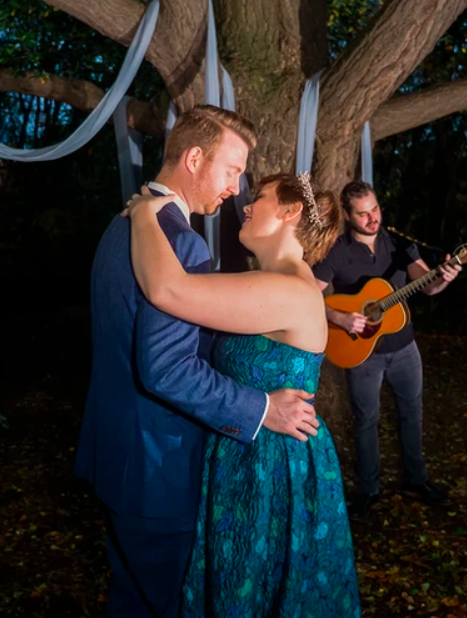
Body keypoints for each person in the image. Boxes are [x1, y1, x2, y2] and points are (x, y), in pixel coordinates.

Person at [74, 105, 319, 618]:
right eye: (231, 170)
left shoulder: (121, 226)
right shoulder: (180, 244)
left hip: (115, 453)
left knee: (131, 595)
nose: (236, 188)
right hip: (158, 466)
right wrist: (260, 408)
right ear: (192, 158)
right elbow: (167, 369)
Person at [125, 172, 361, 617]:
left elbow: (166, 289)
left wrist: (142, 215)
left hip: (270, 467)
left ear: (290, 212)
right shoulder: (270, 280)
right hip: (249, 451)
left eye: (261, 198)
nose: (247, 206)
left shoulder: (290, 288)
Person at [313, 180, 461, 518]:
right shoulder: (336, 250)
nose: (372, 218)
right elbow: (307, 291)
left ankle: (416, 480)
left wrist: (446, 277)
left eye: (375, 209)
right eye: (363, 214)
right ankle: (368, 489)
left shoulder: (400, 245)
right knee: (366, 420)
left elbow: (428, 286)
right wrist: (338, 316)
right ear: (348, 216)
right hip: (361, 352)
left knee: (412, 413)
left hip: (405, 348)